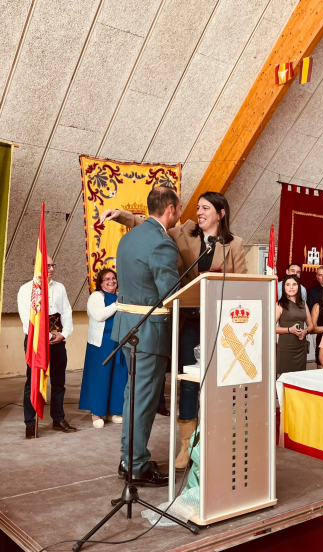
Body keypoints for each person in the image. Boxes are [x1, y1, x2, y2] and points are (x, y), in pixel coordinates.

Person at [101, 191, 247, 470]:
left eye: (206, 208)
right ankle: (186, 446)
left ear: (221, 213)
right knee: (189, 384)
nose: (199, 212)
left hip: (220, 323)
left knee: (223, 381)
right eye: (197, 207)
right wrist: (123, 216)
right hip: (187, 322)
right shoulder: (182, 233)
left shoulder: (235, 244)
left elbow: (241, 284)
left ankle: (221, 440)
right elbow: (152, 224)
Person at [112, 186, 181, 486]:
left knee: (133, 396)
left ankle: (129, 457)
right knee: (144, 400)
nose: (178, 215)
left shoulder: (128, 238)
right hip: (149, 331)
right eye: (178, 209)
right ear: (169, 210)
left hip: (126, 327)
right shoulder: (160, 243)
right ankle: (136, 465)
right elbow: (170, 291)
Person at [17, 255, 77, 438]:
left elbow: (67, 311)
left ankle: (58, 419)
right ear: (36, 267)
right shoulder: (26, 290)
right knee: (33, 382)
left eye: (52, 265)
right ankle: (30, 422)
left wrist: (63, 334)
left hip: (57, 341)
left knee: (58, 382)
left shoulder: (60, 288)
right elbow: (28, 321)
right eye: (47, 265)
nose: (51, 268)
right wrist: (48, 335)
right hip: (36, 343)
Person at [78, 268, 128, 428]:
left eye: (113, 278)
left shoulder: (120, 296)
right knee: (101, 377)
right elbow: (99, 316)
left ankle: (114, 410)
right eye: (107, 279)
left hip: (119, 341)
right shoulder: (96, 296)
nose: (111, 281)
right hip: (102, 343)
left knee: (118, 376)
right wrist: (117, 305)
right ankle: (97, 413)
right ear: (100, 282)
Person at [276, 274, 314, 375]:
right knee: (284, 377)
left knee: (299, 378)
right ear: (284, 287)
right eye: (288, 285)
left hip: (301, 347)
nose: (291, 287)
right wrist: (289, 330)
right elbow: (270, 328)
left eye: (294, 284)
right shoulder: (280, 304)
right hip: (286, 348)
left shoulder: (303, 303)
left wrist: (305, 331)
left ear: (299, 287)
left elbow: (311, 326)